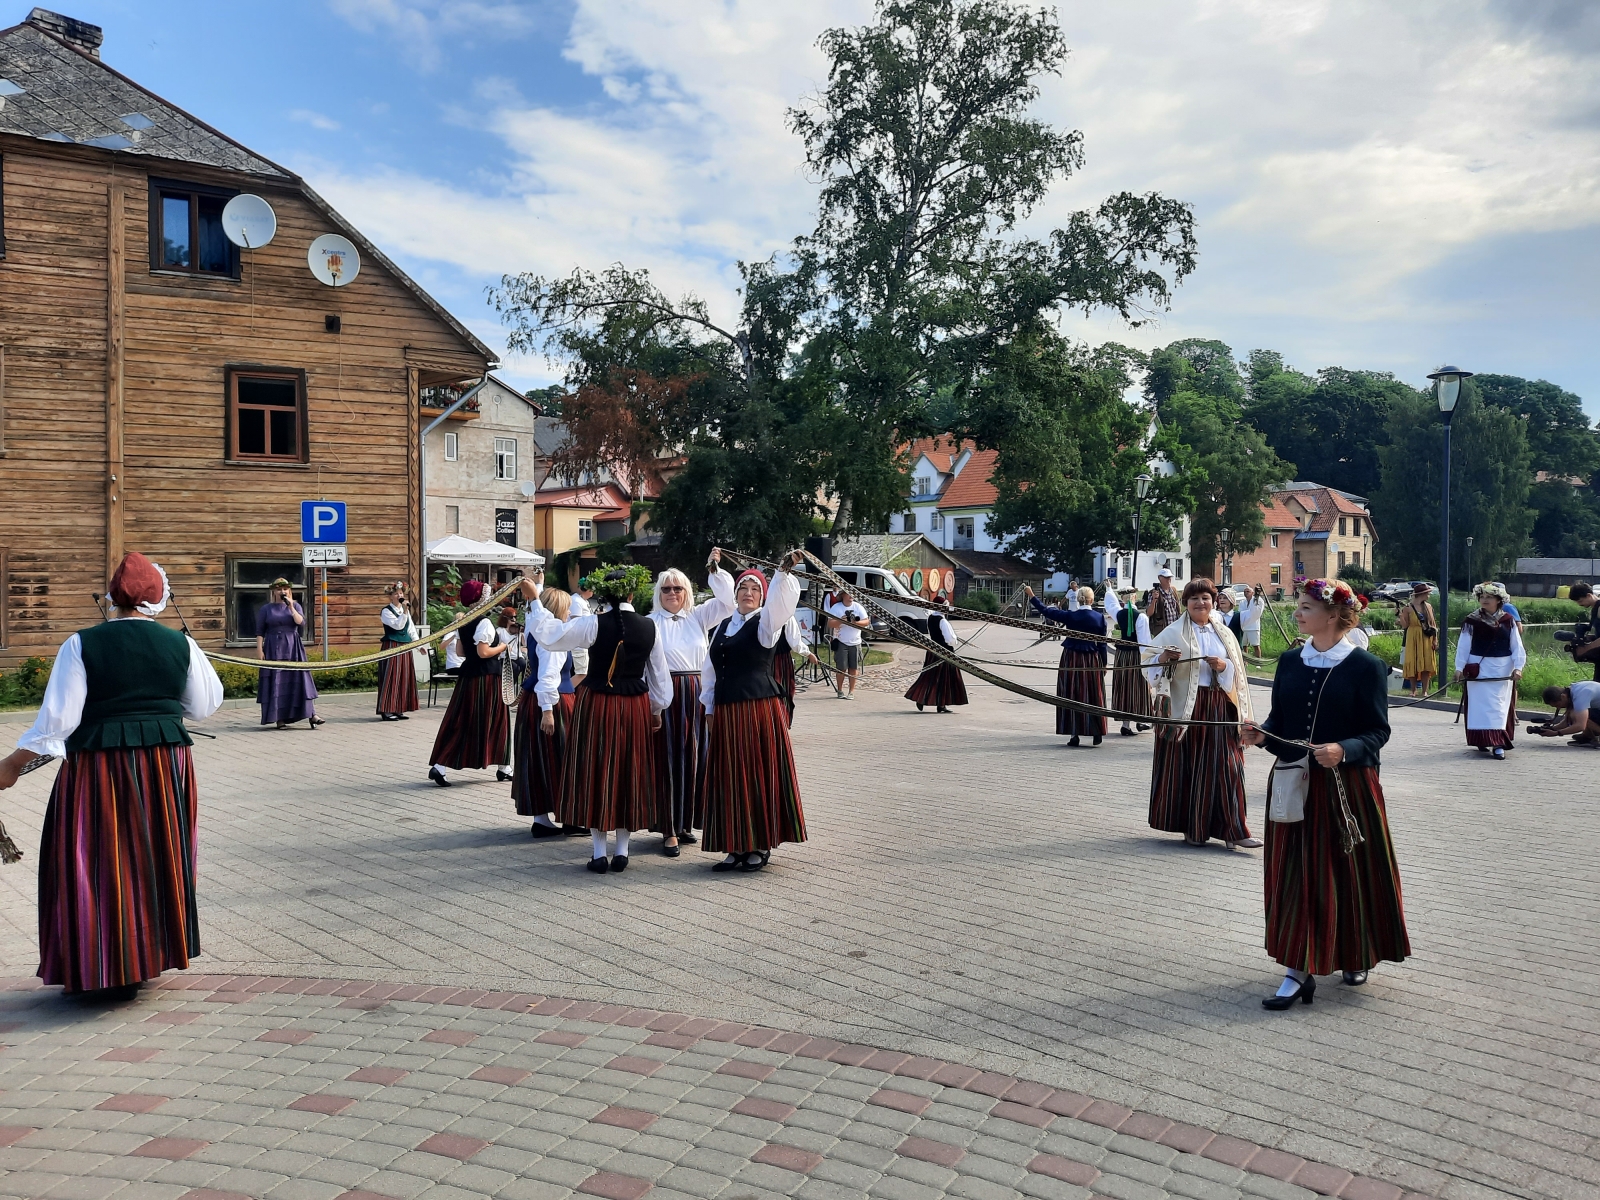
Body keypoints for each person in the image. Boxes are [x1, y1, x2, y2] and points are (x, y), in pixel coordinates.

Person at [0, 552, 223, 998]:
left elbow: (59, 722)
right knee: (156, 856)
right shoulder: (181, 644)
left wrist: (12, 765)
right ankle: (145, 957)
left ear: (113, 597)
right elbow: (202, 706)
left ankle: (103, 961)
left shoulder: (81, 643)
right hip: (164, 764)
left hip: (100, 765)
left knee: (96, 857)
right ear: (158, 598)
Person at [1242, 578, 1410, 1009]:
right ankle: (1297, 969)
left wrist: (1343, 749)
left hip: (1347, 789)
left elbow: (1377, 732)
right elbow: (1280, 723)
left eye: (1305, 607)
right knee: (1296, 874)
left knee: (1348, 874)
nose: (1297, 613)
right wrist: (1261, 736)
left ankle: (1355, 953)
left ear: (1334, 615)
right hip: (1295, 784)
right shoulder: (1290, 660)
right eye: (1298, 606)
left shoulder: (1366, 666)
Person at [524, 565, 672, 873]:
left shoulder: (592, 623)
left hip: (597, 705)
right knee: (628, 771)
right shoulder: (649, 627)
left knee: (596, 769)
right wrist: (656, 711)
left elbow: (550, 636)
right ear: (632, 594)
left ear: (604, 595)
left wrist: (535, 600)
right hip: (635, 707)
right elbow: (660, 677)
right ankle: (622, 851)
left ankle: (599, 853)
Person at [701, 556, 808, 872]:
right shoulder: (723, 626)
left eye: (755, 589)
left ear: (763, 596)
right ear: (735, 594)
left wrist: (782, 573)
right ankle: (735, 844)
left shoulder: (766, 624)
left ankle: (759, 844)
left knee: (757, 774)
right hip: (726, 710)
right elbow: (710, 671)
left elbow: (781, 605)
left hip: (758, 709)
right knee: (731, 776)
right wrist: (708, 707)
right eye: (743, 588)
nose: (748, 593)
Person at [1143, 577, 1261, 849]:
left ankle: (1235, 830)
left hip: (1220, 707)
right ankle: (1194, 829)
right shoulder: (1173, 632)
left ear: (1213, 602)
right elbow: (1148, 664)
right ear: (1186, 603)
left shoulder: (1225, 633)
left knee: (1228, 767)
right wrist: (1163, 659)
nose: (1200, 603)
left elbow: (1237, 670)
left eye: (1205, 598)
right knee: (1192, 766)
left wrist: (1223, 666)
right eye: (1194, 598)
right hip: (1188, 709)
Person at [648, 553, 736, 856]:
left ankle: (686, 822)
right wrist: (653, 706)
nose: (672, 593)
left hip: (697, 691)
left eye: (678, 588)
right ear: (658, 593)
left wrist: (714, 570)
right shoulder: (650, 623)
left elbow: (729, 603)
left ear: (687, 591)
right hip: (666, 693)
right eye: (666, 589)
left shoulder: (698, 616)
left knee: (696, 758)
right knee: (668, 759)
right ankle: (668, 828)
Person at [427, 579, 514, 786]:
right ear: (481, 600)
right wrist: (503, 647)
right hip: (486, 679)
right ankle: (503, 767)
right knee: (494, 720)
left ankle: (441, 765)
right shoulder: (484, 623)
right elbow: (483, 652)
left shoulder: (464, 621)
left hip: (468, 677)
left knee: (462, 720)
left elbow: (460, 651)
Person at [514, 585, 581, 839]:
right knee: (562, 757)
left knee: (538, 756)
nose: (570, 613)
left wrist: (536, 592)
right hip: (554, 702)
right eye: (567, 609)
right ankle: (570, 817)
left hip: (536, 700)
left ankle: (541, 819)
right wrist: (548, 710)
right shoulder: (554, 637)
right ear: (559, 609)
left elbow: (535, 614)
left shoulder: (537, 629)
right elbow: (548, 676)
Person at [1026, 584, 1107, 747]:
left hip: (1072, 658)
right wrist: (1103, 663)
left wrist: (1032, 595)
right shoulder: (1099, 618)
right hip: (1091, 659)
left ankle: (1074, 733)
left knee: (1072, 692)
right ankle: (1096, 731)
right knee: (1093, 693)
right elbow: (1103, 644)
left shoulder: (1071, 616)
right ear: (1092, 600)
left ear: (1078, 599)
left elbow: (1047, 611)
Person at [1454, 581, 1525, 760]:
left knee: (1498, 706)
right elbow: (1463, 645)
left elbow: (1516, 645)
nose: (1485, 600)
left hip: (1502, 669)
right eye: (1482, 597)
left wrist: (1518, 667)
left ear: (1498, 600)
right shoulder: (1471, 620)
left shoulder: (1508, 620)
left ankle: (1498, 743)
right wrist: (1459, 667)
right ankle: (1481, 739)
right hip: (1478, 668)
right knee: (1479, 706)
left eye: (1489, 597)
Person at [256, 578, 320, 730]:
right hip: (273, 647)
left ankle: (312, 715)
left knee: (300, 678)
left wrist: (291, 607)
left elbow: (300, 622)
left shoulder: (295, 605)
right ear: (274, 592)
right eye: (279, 589)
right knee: (277, 679)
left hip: (293, 647)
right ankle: (279, 718)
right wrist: (259, 650)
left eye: (285, 589)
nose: (282, 592)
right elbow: (260, 631)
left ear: (289, 591)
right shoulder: (266, 609)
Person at [903, 599, 966, 714]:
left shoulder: (931, 618)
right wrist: (955, 641)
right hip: (944, 652)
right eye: (946, 606)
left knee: (931, 676)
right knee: (945, 678)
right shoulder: (942, 621)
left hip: (933, 652)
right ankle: (926, 700)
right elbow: (950, 640)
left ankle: (939, 704)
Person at [1105, 588, 1152, 736]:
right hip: (1136, 656)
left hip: (1121, 656)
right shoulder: (1141, 617)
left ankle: (1126, 725)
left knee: (1124, 687)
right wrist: (1149, 662)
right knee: (1138, 687)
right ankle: (1141, 719)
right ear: (1134, 598)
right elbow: (1144, 642)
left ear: (1123, 599)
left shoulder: (1119, 613)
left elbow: (1111, 604)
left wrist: (1109, 589)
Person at [377, 581, 421, 721]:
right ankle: (387, 710)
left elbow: (410, 629)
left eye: (401, 593)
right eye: (396, 594)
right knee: (391, 676)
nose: (399, 595)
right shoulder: (386, 611)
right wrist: (405, 612)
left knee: (403, 676)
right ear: (390, 596)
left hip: (405, 646)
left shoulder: (403, 610)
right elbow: (398, 626)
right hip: (392, 646)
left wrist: (419, 645)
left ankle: (399, 708)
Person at [826, 588, 870, 700]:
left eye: (853, 594)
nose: (851, 596)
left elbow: (866, 621)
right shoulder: (836, 607)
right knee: (841, 668)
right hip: (841, 641)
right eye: (849, 594)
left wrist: (856, 622)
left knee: (853, 668)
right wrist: (841, 621)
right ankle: (840, 690)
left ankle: (851, 691)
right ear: (843, 595)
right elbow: (830, 624)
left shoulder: (858, 607)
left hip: (855, 641)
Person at [1397, 582, 1438, 695]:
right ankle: (1413, 690)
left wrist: (1435, 639)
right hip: (1412, 637)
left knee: (1426, 663)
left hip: (1426, 637)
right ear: (1421, 594)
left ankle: (1424, 691)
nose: (1428, 595)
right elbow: (1405, 625)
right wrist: (1400, 616)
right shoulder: (1408, 608)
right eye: (1427, 593)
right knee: (1413, 662)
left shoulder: (1428, 607)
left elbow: (1433, 624)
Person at [1147, 566, 1180, 636]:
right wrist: (1154, 600)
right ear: (1159, 578)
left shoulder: (1173, 591)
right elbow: (1149, 613)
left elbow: (1178, 610)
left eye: (1170, 577)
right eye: (1166, 577)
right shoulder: (1153, 593)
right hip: (1162, 631)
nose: (1169, 579)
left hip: (1175, 629)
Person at [1237, 584, 1266, 657]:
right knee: (1244, 645)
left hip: (1253, 627)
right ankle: (1245, 661)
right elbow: (1240, 613)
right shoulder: (1242, 602)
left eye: (1248, 591)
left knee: (1256, 645)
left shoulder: (1258, 600)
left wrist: (1258, 594)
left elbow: (1256, 612)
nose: (1246, 593)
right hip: (1243, 627)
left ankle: (1258, 661)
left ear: (1252, 593)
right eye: (1245, 591)